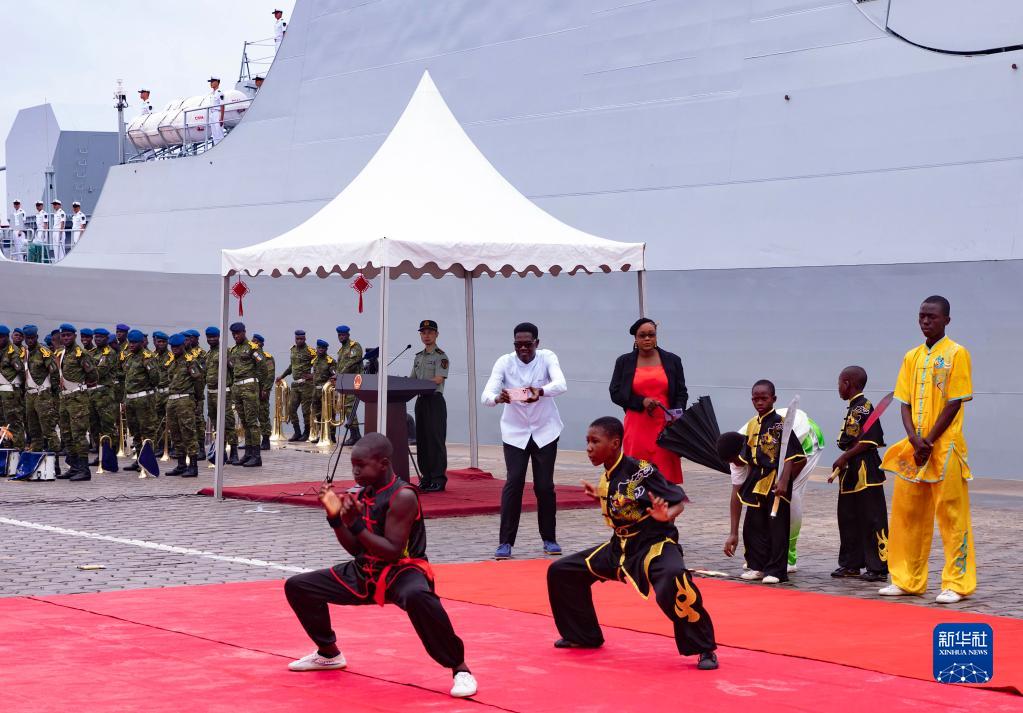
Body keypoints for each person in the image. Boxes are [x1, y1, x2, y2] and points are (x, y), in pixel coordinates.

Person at [283, 433, 478, 699]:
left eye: (361, 466)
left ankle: (460, 668)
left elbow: (392, 551)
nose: (355, 472)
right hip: (367, 568)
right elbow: (356, 549)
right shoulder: (362, 493)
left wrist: (355, 524)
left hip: (403, 570)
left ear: (384, 463)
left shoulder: (403, 496)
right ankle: (328, 653)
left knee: (418, 596)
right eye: (353, 465)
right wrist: (335, 518)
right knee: (298, 586)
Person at [547, 416, 719, 670]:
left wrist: (666, 515)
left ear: (615, 443)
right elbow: (621, 503)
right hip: (620, 547)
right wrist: (599, 496)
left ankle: (704, 648)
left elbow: (678, 502)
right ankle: (583, 635)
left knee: (675, 579)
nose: (589, 448)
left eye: (595, 441)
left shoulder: (642, 471)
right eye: (587, 441)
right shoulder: (608, 475)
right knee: (562, 571)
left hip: (654, 545)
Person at [879, 296, 975, 604]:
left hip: (945, 449)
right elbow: (904, 402)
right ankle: (906, 579)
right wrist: (913, 439)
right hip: (914, 448)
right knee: (907, 514)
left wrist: (929, 440)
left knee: (951, 515)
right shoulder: (911, 356)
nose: (925, 321)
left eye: (932, 317)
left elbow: (954, 401)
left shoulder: (957, 353)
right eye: (921, 316)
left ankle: (957, 582)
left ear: (946, 320)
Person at [481, 322, 566, 559]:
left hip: (545, 431)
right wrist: (498, 398)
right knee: (514, 483)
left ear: (537, 343)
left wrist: (541, 391)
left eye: (528, 344)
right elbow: (486, 395)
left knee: (544, 486)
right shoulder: (504, 362)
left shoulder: (547, 357)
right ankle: (505, 543)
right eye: (518, 345)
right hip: (515, 433)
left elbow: (561, 384)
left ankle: (549, 538)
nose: (523, 349)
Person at [720, 404, 824, 574]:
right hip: (770, 453)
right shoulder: (734, 453)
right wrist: (733, 533)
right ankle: (762, 557)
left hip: (804, 440)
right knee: (759, 503)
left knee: (788, 496)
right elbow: (737, 495)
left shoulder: (759, 440)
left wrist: (784, 482)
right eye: (731, 462)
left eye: (736, 461)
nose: (735, 465)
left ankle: (789, 555)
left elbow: (796, 461)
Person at [731, 380, 807, 584]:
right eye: (755, 399)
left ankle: (776, 570)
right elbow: (747, 456)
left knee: (776, 527)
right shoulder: (752, 424)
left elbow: (792, 456)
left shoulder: (781, 423)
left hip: (776, 479)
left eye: (764, 398)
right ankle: (757, 566)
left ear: (773, 399)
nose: (759, 402)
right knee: (753, 525)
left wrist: (784, 481)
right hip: (756, 479)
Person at [609, 318, 687, 483]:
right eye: (642, 335)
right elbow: (615, 393)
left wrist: (677, 415)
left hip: (665, 428)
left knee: (665, 477)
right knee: (636, 475)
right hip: (637, 426)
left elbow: (681, 392)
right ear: (635, 339)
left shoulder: (673, 360)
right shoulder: (624, 362)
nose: (647, 339)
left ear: (656, 336)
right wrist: (641, 401)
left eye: (651, 335)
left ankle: (663, 500)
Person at [832, 366, 889, 582]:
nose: (838, 387)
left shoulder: (864, 408)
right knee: (848, 518)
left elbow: (869, 440)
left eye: (839, 383)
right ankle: (851, 564)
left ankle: (878, 567)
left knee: (872, 518)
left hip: (866, 470)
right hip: (850, 471)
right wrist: (845, 459)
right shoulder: (854, 407)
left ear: (847, 383)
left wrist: (845, 457)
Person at [55, 324, 97, 481]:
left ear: (75, 336)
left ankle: (84, 470)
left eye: (69, 335)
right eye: (63, 335)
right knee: (66, 434)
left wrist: (81, 387)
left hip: (77, 399)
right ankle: (74, 467)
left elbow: (93, 375)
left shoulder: (81, 354)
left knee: (78, 434)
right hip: (64, 398)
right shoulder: (61, 353)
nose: (66, 338)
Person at [411, 319, 448, 492]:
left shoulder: (441, 356)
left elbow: (438, 379)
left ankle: (438, 479)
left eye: (430, 333)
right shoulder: (418, 357)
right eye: (423, 333)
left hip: (434, 401)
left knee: (435, 440)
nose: (426, 336)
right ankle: (426, 477)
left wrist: (419, 384)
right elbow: (412, 379)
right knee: (423, 441)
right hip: (421, 401)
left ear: (436, 334)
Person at [228, 322, 267, 467]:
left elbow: (263, 367)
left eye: (238, 333)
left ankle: (256, 456)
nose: (235, 336)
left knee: (252, 422)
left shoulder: (252, 348)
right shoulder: (234, 350)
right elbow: (232, 368)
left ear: (244, 332)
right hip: (237, 387)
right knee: (244, 422)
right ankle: (248, 453)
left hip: (249, 387)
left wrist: (259, 386)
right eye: (233, 334)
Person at [164, 334, 203, 477]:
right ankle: (181, 464)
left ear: (183, 346)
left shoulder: (190, 361)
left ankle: (193, 466)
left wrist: (198, 399)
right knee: (175, 433)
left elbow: (198, 381)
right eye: (172, 347)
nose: (174, 349)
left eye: (177, 347)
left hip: (185, 400)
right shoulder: (172, 362)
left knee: (188, 432)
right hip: (172, 400)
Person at [22, 326, 60, 472]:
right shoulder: (25, 353)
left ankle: (55, 463)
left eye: (32, 338)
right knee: (33, 431)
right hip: (30, 395)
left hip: (43, 395)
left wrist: (53, 393)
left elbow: (54, 372)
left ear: (37, 337)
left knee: (48, 429)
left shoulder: (44, 352)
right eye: (28, 338)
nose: (30, 341)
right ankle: (36, 462)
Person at [121, 329, 159, 473]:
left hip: (144, 400)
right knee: (135, 431)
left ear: (142, 343)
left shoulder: (147, 357)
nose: (131, 345)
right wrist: (125, 400)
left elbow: (155, 379)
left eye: (134, 343)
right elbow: (127, 380)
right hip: (131, 400)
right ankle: (138, 459)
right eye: (130, 342)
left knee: (147, 430)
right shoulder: (129, 357)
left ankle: (148, 460)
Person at [205, 326, 239, 465]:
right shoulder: (208, 354)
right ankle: (221, 450)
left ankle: (234, 452)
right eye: (209, 337)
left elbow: (234, 368)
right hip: (211, 393)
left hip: (223, 392)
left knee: (228, 422)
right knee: (215, 422)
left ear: (219, 337)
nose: (211, 339)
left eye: (214, 337)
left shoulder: (225, 351)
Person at [88, 328, 119, 471]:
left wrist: (87, 370)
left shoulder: (109, 353)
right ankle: (100, 454)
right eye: (96, 337)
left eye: (101, 337)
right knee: (94, 426)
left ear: (107, 339)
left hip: (104, 394)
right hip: (92, 393)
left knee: (107, 426)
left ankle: (110, 459)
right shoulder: (92, 352)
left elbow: (99, 372)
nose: (98, 339)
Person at [278, 329, 316, 441]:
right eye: (297, 339)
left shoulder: (311, 351)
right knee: (291, 408)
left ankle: (306, 432)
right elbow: (292, 366)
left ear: (305, 339)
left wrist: (312, 375)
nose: (299, 341)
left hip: (306, 385)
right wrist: (282, 376)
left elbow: (320, 364)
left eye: (301, 339)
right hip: (295, 385)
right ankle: (297, 432)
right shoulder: (293, 350)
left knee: (305, 411)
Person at [334, 325, 363, 444]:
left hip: (354, 381)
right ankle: (355, 435)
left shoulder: (355, 346)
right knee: (346, 407)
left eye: (343, 335)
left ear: (348, 335)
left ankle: (355, 436)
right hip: (345, 382)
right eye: (339, 335)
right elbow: (339, 366)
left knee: (350, 407)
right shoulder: (341, 350)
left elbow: (353, 362)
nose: (341, 337)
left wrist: (339, 374)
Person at [0, 325, 26, 450]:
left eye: (1, 337)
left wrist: (19, 390)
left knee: (14, 423)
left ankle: (18, 450)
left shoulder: (13, 351)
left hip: (11, 393)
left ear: (6, 337)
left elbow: (21, 372)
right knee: (2, 424)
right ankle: (6, 448)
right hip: (2, 393)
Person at [308, 339, 335, 445]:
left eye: (323, 348)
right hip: (316, 391)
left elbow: (334, 375)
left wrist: (328, 383)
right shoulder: (314, 360)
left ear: (326, 349)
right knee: (318, 413)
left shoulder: (330, 361)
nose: (320, 350)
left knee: (329, 412)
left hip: (326, 392)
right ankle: (322, 434)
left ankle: (331, 435)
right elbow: (316, 374)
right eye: (319, 348)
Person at [253, 333, 274, 450]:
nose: (253, 343)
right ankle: (251, 440)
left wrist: (265, 389)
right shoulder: (251, 356)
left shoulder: (267, 357)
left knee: (263, 414)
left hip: (262, 389)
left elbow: (270, 375)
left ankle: (266, 440)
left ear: (261, 344)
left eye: (256, 341)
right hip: (251, 389)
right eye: (252, 341)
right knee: (250, 415)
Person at [207, 77, 226, 146]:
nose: (211, 83)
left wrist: (221, 118)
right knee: (214, 134)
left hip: (217, 114)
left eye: (212, 81)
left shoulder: (220, 93)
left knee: (219, 132)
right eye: (210, 82)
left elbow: (222, 105)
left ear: (217, 82)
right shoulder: (212, 94)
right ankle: (216, 146)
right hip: (212, 114)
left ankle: (221, 147)